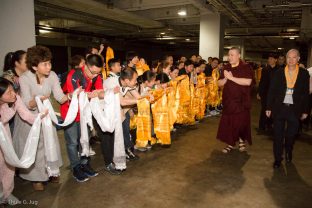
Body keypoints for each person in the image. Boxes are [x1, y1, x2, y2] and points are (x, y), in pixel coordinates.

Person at [13, 45, 69, 191]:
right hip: (30, 118)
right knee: (36, 147)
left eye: (49, 63)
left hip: (46, 115)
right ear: (34, 66)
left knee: (49, 144)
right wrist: (37, 99)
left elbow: (59, 96)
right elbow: (26, 103)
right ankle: (36, 178)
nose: (49, 67)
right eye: (45, 64)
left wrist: (71, 96)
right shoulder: (25, 78)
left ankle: (51, 172)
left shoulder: (52, 75)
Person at [0, 78, 48, 205]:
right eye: (8, 92)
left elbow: (26, 115)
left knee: (9, 165)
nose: (13, 94)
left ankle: (7, 193)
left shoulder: (15, 99)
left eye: (12, 90)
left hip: (4, 134)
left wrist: (39, 117)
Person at [61, 54, 103, 181]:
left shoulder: (96, 75)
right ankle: (76, 167)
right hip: (71, 113)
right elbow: (76, 96)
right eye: (93, 72)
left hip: (85, 113)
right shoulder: (74, 75)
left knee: (84, 140)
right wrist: (91, 94)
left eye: (98, 73)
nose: (95, 76)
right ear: (86, 66)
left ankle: (85, 164)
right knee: (73, 142)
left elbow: (101, 92)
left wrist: (100, 93)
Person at [266, 49, 309, 168]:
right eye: (288, 57)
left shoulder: (304, 73)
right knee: (277, 136)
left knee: (291, 135)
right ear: (286, 58)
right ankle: (278, 159)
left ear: (298, 59)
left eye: (294, 57)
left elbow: (305, 93)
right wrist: (268, 107)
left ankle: (289, 149)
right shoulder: (278, 73)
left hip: (294, 110)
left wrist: (306, 110)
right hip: (279, 108)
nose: (291, 60)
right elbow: (272, 91)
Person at [216, 47, 253, 153]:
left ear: (239, 56)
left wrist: (232, 78)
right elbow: (219, 83)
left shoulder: (246, 67)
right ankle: (230, 143)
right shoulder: (226, 68)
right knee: (229, 124)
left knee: (241, 123)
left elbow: (248, 82)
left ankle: (241, 140)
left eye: (232, 55)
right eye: (229, 55)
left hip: (241, 102)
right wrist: (226, 78)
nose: (229, 57)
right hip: (229, 101)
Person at [257, 53, 279, 134]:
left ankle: (269, 126)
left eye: (272, 58)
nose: (270, 60)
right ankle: (261, 127)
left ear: (276, 60)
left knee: (273, 110)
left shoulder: (280, 70)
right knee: (264, 110)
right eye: (269, 58)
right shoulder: (265, 69)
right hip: (265, 93)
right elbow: (262, 82)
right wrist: (259, 92)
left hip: (275, 95)